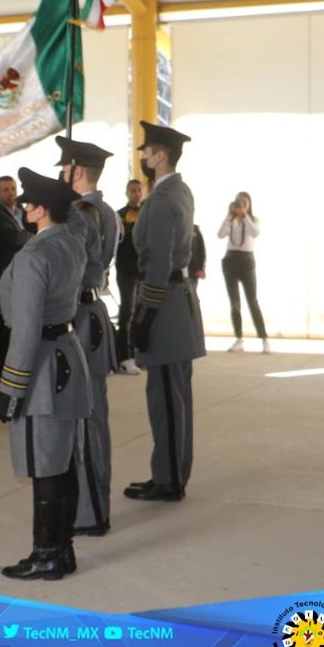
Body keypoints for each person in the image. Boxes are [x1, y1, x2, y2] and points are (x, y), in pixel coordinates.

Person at [0, 167, 89, 581]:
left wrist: (10, 388)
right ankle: (62, 549)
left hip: (40, 367)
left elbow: (27, 329)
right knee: (62, 459)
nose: (23, 209)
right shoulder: (72, 241)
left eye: (28, 203)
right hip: (67, 354)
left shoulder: (34, 256)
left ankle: (46, 553)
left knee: (44, 461)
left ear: (39, 210)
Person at [125, 122, 206, 502]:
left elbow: (157, 262)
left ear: (160, 156)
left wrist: (144, 315)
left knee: (166, 400)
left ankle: (169, 479)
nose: (142, 157)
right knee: (174, 396)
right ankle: (170, 473)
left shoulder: (160, 199)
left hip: (165, 303)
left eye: (146, 151)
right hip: (178, 299)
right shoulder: (180, 190)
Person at [57, 136, 119, 538]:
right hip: (93, 312)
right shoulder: (106, 210)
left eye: (64, 169)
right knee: (92, 417)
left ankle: (91, 512)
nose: (61, 175)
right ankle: (93, 508)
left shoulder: (80, 214)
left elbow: (70, 270)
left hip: (80, 316)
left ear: (76, 171)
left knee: (86, 420)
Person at [0, 175, 34, 394]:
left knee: (19, 330)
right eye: (5, 189)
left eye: (13, 188)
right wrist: (33, 236)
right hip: (4, 279)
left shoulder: (21, 213)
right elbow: (15, 239)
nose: (11, 193)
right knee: (5, 330)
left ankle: (16, 377)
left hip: (22, 277)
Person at [218, 191, 270, 354]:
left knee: (252, 301)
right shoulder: (231, 220)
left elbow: (255, 233)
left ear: (249, 204)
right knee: (234, 302)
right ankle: (239, 339)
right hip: (230, 259)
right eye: (239, 202)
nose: (241, 205)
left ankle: (264, 339)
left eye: (244, 202)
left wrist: (245, 215)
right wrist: (229, 215)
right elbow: (220, 234)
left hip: (247, 261)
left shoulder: (254, 220)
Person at [114, 179, 143, 375]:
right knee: (127, 313)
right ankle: (125, 357)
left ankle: (138, 352)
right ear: (127, 193)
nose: (136, 194)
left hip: (143, 270)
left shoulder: (147, 213)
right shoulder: (119, 215)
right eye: (133, 191)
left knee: (141, 313)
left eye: (139, 190)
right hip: (125, 270)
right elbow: (118, 241)